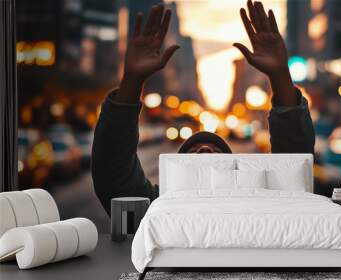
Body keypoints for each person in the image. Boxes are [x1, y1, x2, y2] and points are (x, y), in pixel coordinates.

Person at [92, 1, 315, 215]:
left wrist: (280, 75)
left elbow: (293, 169)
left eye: (215, 150)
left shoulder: (256, 210)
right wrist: (132, 79)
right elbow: (114, 176)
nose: (205, 151)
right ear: (173, 175)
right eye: (194, 151)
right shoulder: (155, 209)